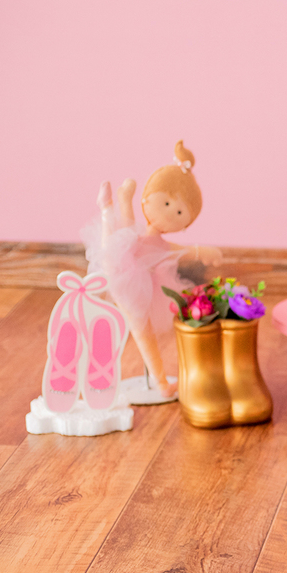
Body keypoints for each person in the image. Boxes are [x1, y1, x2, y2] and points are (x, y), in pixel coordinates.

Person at [82, 140, 221, 398]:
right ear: (147, 198)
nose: (170, 214)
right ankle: (108, 208)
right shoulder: (142, 240)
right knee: (119, 248)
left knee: (121, 240)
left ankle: (112, 206)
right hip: (129, 280)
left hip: (140, 282)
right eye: (167, 204)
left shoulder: (159, 243)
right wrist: (202, 251)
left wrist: (204, 251)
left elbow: (181, 250)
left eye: (179, 211)